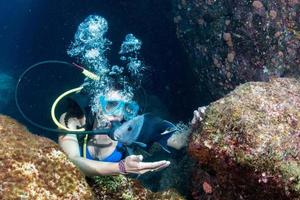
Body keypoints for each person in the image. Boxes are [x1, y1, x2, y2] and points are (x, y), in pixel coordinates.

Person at [58, 89, 171, 177]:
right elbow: (72, 161)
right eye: (111, 105)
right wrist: (121, 167)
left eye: (125, 107)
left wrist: (187, 135)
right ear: (96, 102)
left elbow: (173, 138)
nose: (118, 114)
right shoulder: (71, 120)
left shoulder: (130, 130)